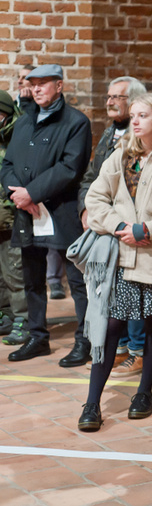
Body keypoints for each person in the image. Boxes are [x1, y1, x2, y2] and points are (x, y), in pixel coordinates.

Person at [77, 93, 152, 432]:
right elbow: (95, 198)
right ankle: (92, 402)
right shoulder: (120, 156)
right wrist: (119, 226)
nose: (135, 121)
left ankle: (144, 393)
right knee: (110, 327)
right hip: (121, 257)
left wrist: (148, 230)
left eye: (143, 115)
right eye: (133, 116)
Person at [1, 64, 92, 366]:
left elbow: (69, 168)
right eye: (33, 84)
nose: (37, 88)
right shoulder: (25, 122)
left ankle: (85, 340)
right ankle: (37, 337)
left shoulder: (76, 122)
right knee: (32, 278)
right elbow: (8, 164)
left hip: (61, 208)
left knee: (77, 281)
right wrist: (18, 195)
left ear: (59, 86)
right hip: (27, 210)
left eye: (44, 83)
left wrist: (32, 193)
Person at [79, 76, 149, 376]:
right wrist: (86, 209)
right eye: (109, 96)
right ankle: (119, 348)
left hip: (129, 226)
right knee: (111, 290)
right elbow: (91, 178)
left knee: (133, 291)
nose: (109, 102)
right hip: (104, 223)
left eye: (117, 97)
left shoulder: (140, 139)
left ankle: (138, 350)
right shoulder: (109, 133)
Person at [0, 91, 29, 345]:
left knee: (15, 273)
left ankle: (24, 320)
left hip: (13, 218)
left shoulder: (19, 136)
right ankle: (5, 315)